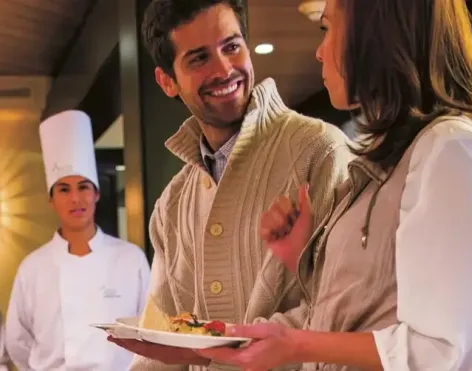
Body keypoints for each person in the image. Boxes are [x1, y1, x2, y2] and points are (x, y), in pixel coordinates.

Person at [197, 0, 472, 369]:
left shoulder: (449, 148)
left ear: (376, 36)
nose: (319, 51)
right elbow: (355, 312)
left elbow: (445, 352)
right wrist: (302, 257)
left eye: (326, 29)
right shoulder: (388, 161)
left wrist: (298, 346)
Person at [107, 0, 354, 369]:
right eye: (198, 58)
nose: (224, 69)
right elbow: (164, 333)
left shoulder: (320, 151)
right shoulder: (172, 205)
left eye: (232, 47)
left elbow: (350, 306)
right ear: (167, 81)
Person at [6, 110, 151, 371]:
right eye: (64, 189)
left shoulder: (131, 258)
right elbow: (18, 343)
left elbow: (150, 327)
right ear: (51, 200)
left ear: (96, 194)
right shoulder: (33, 267)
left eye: (83, 187)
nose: (75, 199)